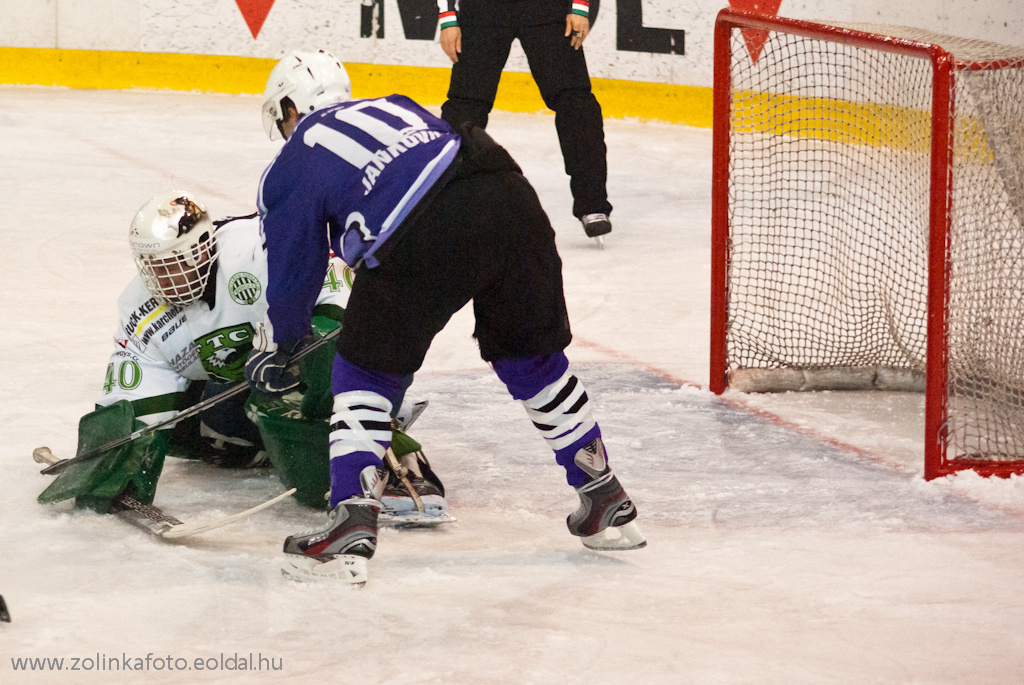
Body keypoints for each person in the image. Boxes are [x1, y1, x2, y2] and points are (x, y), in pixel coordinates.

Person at [252, 49, 644, 583]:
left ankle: (349, 522)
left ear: (291, 108)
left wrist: (286, 347)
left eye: (282, 116)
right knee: (531, 360)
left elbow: (293, 269)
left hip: (423, 222)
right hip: (508, 192)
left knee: (364, 370)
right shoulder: (395, 105)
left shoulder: (295, 157)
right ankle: (602, 494)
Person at [37, 190, 448, 522]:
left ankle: (391, 457)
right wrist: (114, 466)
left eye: (170, 265)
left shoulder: (258, 247)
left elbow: (337, 287)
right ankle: (276, 443)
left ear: (202, 249)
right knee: (188, 431)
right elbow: (137, 398)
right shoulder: (141, 311)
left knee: (316, 374)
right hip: (242, 387)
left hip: (303, 366)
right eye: (152, 268)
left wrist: (308, 343)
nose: (160, 279)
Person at [437, 0, 613, 245]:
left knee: (575, 102)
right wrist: (447, 16)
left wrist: (580, 5)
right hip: (483, 9)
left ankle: (592, 205)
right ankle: (442, 203)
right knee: (466, 105)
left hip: (545, 8)